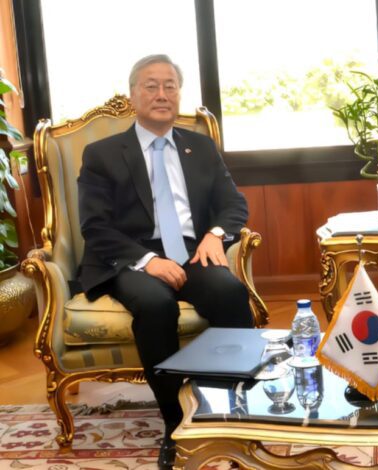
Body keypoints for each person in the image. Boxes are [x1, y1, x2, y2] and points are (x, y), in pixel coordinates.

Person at [77, 54, 254, 469]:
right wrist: (147, 260)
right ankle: (177, 424)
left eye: (170, 86)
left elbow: (234, 204)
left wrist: (215, 234)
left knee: (229, 291)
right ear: (132, 95)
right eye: (151, 85)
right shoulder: (102, 154)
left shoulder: (200, 146)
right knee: (156, 305)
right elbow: (94, 226)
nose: (162, 94)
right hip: (128, 256)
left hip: (192, 250)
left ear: (178, 94)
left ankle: (234, 407)